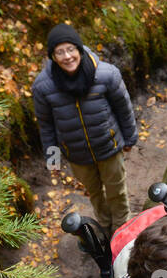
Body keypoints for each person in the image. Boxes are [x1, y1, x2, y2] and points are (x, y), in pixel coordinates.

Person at [31, 24, 138, 237]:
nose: (67, 56)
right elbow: (46, 125)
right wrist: (53, 158)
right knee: (95, 193)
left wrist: (130, 138)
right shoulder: (43, 87)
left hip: (109, 147)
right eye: (59, 52)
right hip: (77, 155)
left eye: (70, 49)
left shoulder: (107, 74)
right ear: (52, 56)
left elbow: (123, 108)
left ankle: (123, 231)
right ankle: (105, 228)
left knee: (116, 191)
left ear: (79, 49)